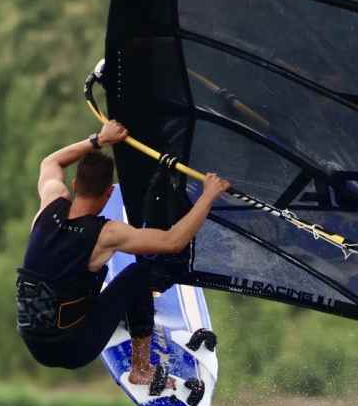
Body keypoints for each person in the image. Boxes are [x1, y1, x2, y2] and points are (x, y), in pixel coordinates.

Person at [16, 120, 230, 385]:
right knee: (140, 273)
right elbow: (174, 241)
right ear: (108, 194)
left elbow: (50, 162)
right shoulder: (106, 234)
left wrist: (99, 140)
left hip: (33, 342)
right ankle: (141, 369)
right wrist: (208, 195)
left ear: (74, 184)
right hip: (73, 349)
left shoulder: (50, 203)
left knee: (81, 276)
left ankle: (119, 318)